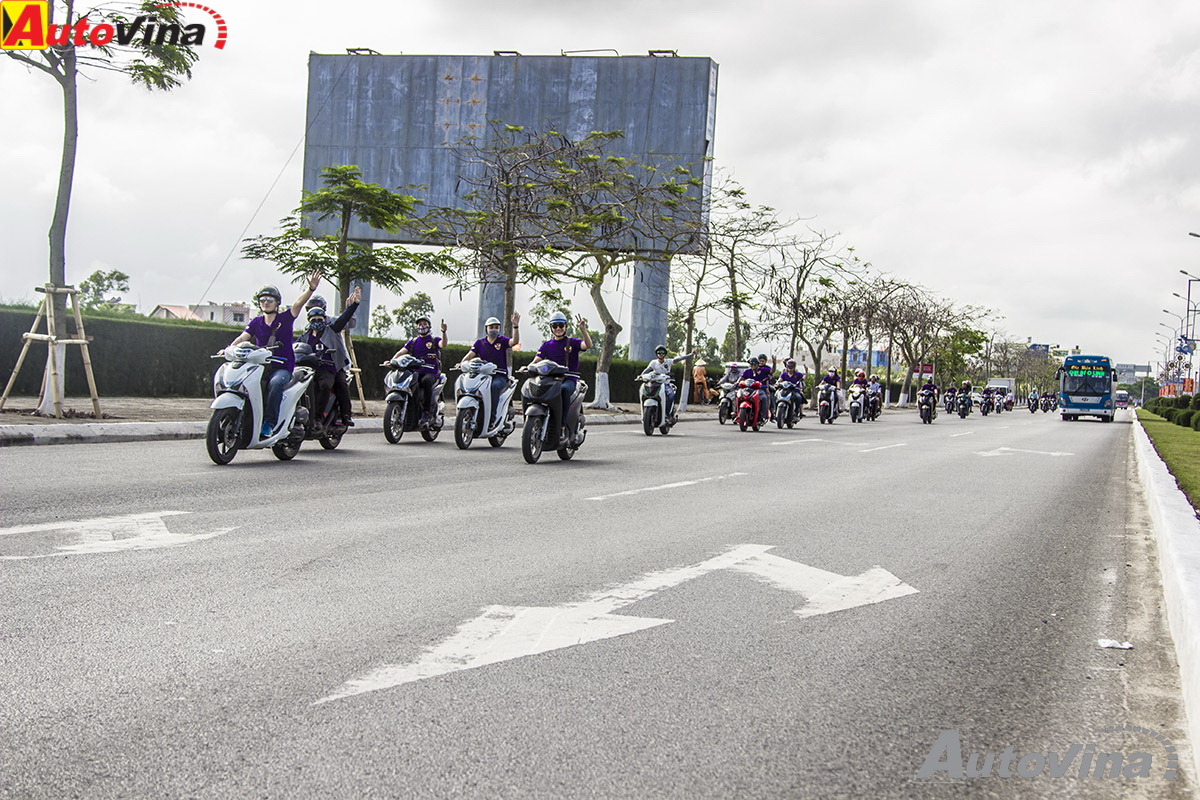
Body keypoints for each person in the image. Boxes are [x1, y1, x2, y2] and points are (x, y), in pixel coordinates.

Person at [224, 271, 321, 439]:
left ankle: (269, 423)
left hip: (282, 367)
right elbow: (243, 338)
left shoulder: (285, 317)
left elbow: (298, 304)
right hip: (260, 367)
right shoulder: (256, 322)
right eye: (263, 300)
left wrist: (311, 289)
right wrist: (228, 348)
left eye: (270, 299)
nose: (266, 302)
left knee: (275, 384)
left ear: (277, 302)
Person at [298, 285, 361, 428]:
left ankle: (340, 415)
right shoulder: (305, 334)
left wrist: (353, 306)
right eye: (313, 317)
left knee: (335, 385)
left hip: (333, 366)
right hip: (311, 369)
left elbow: (346, 320)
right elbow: (295, 348)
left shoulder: (332, 326)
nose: (316, 321)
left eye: (319, 318)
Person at [529, 311, 592, 440]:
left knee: (563, 390)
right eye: (555, 325)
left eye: (561, 325)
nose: (558, 328)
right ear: (551, 327)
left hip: (569, 379)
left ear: (566, 326)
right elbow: (537, 360)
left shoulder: (572, 342)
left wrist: (583, 330)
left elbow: (588, 345)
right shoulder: (546, 345)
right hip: (551, 379)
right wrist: (527, 366)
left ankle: (562, 427)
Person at [459, 313, 521, 421]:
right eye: (491, 327)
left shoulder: (502, 341)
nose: (494, 329)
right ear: (486, 329)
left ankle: (492, 418)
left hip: (499, 376)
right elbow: (469, 356)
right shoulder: (480, 343)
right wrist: (461, 363)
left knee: (494, 387)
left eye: (496, 327)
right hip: (482, 376)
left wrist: (515, 326)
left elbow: (514, 341)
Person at [392, 315, 448, 426]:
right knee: (409, 383)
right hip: (416, 372)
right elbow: (401, 352)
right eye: (420, 324)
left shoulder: (434, 340)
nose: (422, 327)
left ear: (429, 326)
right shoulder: (413, 342)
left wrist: (443, 332)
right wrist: (392, 360)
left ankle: (426, 412)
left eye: (424, 324)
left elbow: (443, 344)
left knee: (426, 381)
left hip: (431, 372)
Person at [642, 345, 698, 420]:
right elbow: (647, 370)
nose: (661, 354)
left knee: (670, 395)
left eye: (663, 352)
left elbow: (679, 359)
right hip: (655, 383)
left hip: (665, 384)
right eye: (659, 352)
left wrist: (690, 354)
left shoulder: (668, 361)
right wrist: (641, 375)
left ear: (665, 354)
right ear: (656, 354)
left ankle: (667, 413)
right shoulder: (653, 362)